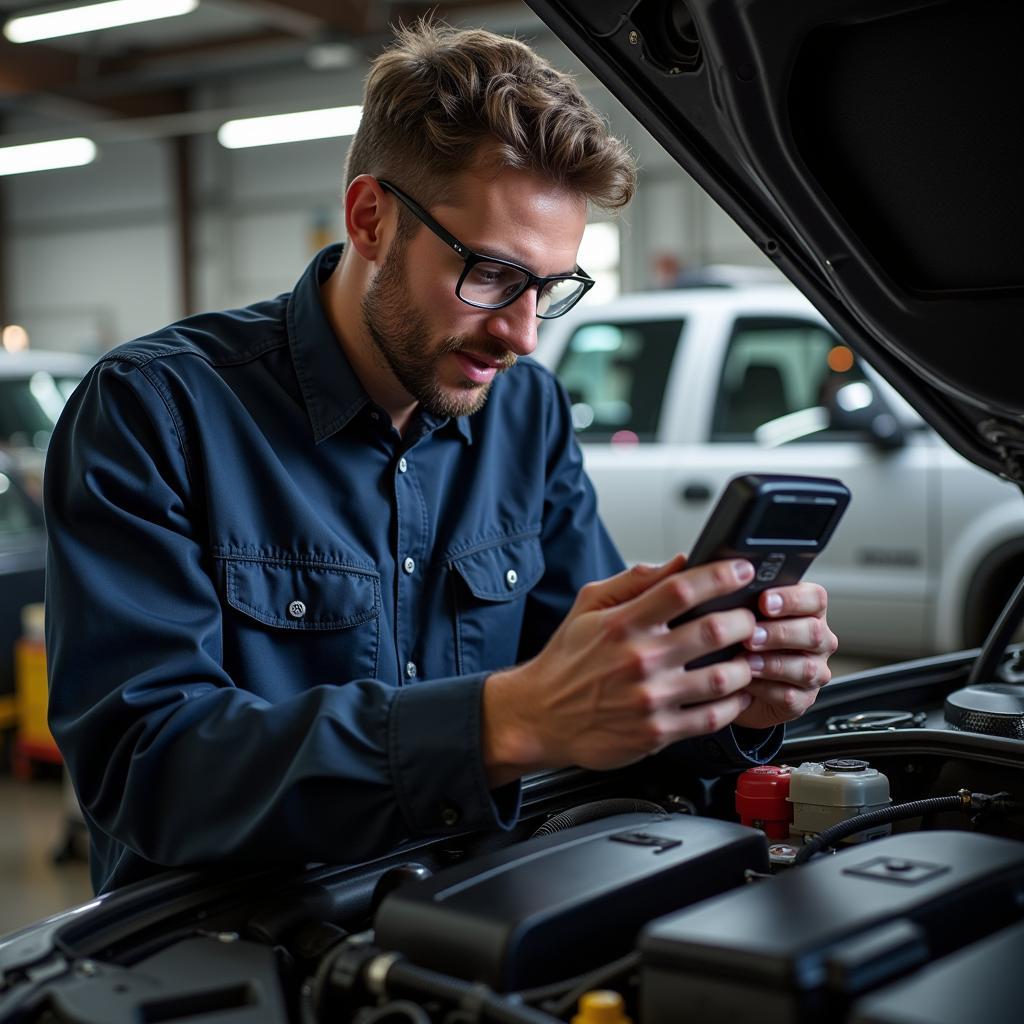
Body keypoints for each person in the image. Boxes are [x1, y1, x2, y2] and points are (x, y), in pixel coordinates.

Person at [44, 21, 837, 895]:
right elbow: (145, 768)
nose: (524, 335)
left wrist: (723, 703)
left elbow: (591, 699)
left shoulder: (523, 412)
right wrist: (498, 723)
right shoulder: (155, 411)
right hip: (234, 950)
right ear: (371, 219)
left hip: (469, 918)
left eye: (550, 289)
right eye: (492, 276)